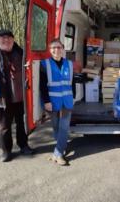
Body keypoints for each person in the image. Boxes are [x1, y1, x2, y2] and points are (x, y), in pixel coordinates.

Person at [0, 29, 34, 162]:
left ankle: (24, 145)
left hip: (21, 98)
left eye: (9, 38)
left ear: (13, 40)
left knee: (22, 124)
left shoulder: (22, 53)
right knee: (4, 127)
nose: (6, 40)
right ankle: (6, 151)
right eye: (2, 38)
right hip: (3, 100)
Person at [40, 38, 74, 166]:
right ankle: (62, 146)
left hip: (67, 100)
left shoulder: (69, 64)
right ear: (50, 50)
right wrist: (46, 101)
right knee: (55, 127)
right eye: (53, 48)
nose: (56, 50)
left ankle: (58, 154)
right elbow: (42, 85)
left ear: (62, 49)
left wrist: (74, 97)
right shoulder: (45, 64)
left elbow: (72, 82)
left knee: (64, 128)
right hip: (52, 101)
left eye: (59, 47)